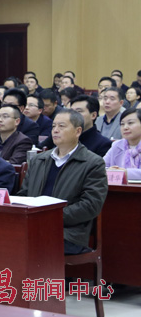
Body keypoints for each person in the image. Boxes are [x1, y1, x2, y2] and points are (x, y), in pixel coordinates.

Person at [18, 109, 107, 255]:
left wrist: (50, 218)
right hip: (33, 225)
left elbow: (91, 205)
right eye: (53, 126)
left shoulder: (93, 163)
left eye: (61, 126)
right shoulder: (39, 159)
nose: (55, 130)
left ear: (78, 131)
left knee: (35, 244)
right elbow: (24, 195)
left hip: (69, 233)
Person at [41, 96, 113, 157]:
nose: (73, 116)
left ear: (93, 115)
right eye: (71, 112)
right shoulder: (61, 134)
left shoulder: (103, 144)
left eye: (79, 111)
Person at [103, 108, 141, 179]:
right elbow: (100, 167)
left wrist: (126, 173)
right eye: (122, 124)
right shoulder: (117, 145)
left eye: (130, 123)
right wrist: (109, 170)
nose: (125, 127)